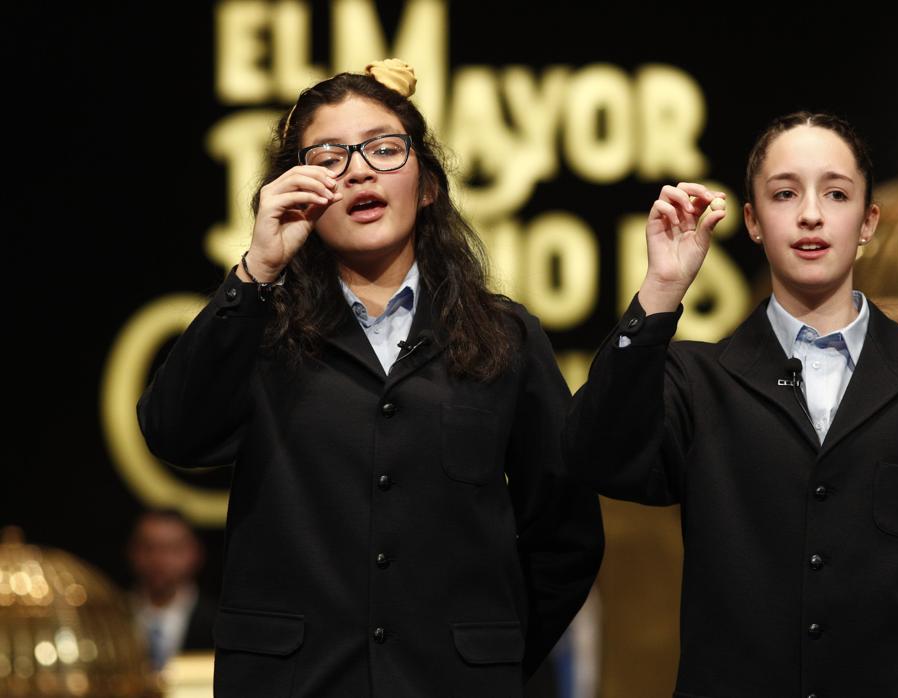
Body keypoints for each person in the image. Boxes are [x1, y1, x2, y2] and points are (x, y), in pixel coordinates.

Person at [137, 59, 603, 697]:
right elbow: (173, 434)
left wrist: (486, 653)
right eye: (328, 157)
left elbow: (565, 532)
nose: (358, 169)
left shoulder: (506, 336)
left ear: (428, 184)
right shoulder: (258, 327)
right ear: (295, 188)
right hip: (295, 683)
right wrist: (255, 271)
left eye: (385, 149)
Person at [564, 112, 898, 696]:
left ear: (867, 221)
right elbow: (593, 454)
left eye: (836, 193)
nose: (811, 213)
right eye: (784, 193)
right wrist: (661, 290)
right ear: (752, 222)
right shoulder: (699, 380)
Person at [127, 510, 217, 671]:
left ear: (195, 553)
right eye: (148, 548)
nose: (158, 559)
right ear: (132, 552)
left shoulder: (219, 623)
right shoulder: (111, 616)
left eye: (172, 549)